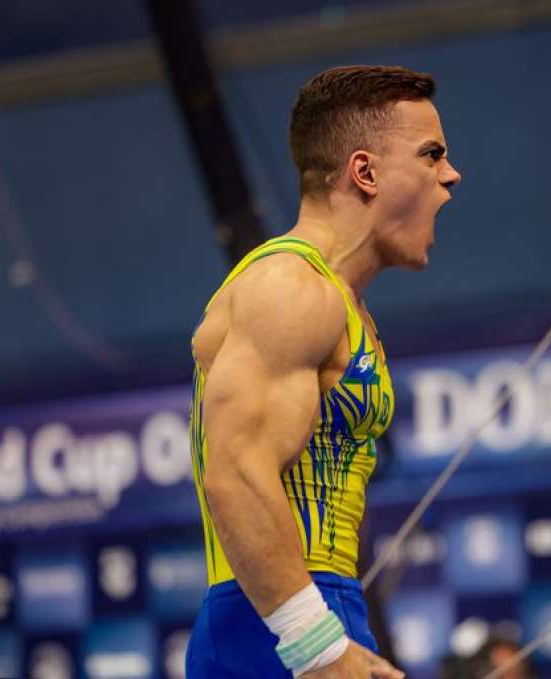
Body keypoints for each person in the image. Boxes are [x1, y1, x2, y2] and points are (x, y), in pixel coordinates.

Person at [186, 64, 461, 678]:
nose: (450, 175)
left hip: (308, 610)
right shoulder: (290, 288)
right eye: (431, 155)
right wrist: (315, 645)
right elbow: (233, 473)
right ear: (364, 172)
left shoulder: (340, 302)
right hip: (272, 623)